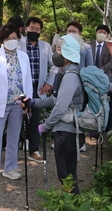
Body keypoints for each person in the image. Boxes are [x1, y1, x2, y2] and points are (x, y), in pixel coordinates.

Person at [22, 35, 84, 195]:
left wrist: (45, 126)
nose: (55, 53)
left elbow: (60, 108)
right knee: (65, 174)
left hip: (67, 131)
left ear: (67, 54)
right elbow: (55, 100)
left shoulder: (71, 76)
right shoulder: (65, 73)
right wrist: (33, 102)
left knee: (67, 174)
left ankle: (75, 209)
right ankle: (72, 208)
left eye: (58, 49)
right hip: (63, 130)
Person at [0, 23, 33, 188]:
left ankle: (10, 168)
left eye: (14, 38)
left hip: (18, 104)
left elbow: (27, 81)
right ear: (2, 40)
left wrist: (28, 101)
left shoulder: (23, 56)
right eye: (8, 38)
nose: (12, 41)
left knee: (14, 138)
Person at [17, 16, 55, 162]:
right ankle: (13, 150)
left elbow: (55, 66)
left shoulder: (46, 46)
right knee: (16, 119)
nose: (34, 31)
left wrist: (49, 83)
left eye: (37, 29)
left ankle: (33, 150)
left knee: (35, 120)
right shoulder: (18, 44)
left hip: (38, 89)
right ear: (26, 28)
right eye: (32, 28)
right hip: (20, 88)